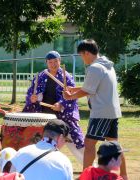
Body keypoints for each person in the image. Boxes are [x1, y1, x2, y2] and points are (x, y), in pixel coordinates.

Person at [63, 39, 127, 179]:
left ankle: (86, 175)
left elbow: (87, 91)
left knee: (89, 144)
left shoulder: (95, 68)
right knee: (115, 146)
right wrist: (74, 89)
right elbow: (95, 87)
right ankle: (124, 176)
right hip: (111, 111)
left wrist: (70, 96)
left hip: (101, 113)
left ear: (86, 53)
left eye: (81, 55)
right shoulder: (106, 65)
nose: (82, 58)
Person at [23, 50, 84, 163]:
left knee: (75, 139)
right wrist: (33, 98)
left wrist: (61, 104)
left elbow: (72, 95)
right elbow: (31, 93)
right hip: (44, 115)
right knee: (42, 141)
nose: (53, 64)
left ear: (60, 61)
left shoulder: (66, 77)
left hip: (63, 115)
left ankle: (88, 164)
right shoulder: (41, 76)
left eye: (55, 61)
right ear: (47, 63)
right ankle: (41, 162)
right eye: (50, 62)